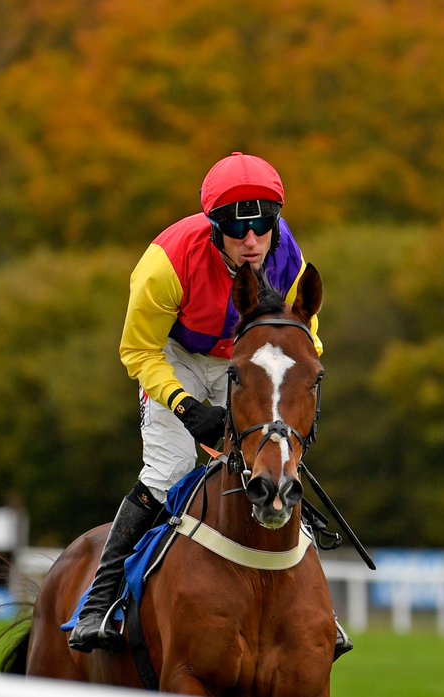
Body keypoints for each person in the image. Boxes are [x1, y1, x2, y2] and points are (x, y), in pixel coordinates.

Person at [68, 152, 351, 660]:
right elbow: (137, 350)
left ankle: (316, 609)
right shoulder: (164, 266)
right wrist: (182, 403)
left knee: (275, 456)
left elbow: (302, 341)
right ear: (213, 226)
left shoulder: (290, 260)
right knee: (170, 468)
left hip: (241, 358)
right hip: (171, 354)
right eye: (238, 230)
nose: (251, 242)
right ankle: (99, 600)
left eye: (263, 227)